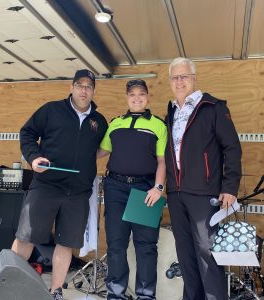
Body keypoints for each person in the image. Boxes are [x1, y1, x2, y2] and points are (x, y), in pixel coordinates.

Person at [11, 69, 108, 300]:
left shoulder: (99, 121)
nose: (84, 90)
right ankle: (9, 285)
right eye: (80, 85)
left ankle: (56, 291)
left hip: (78, 193)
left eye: (89, 87)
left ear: (93, 91)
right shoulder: (51, 110)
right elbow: (27, 133)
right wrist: (34, 157)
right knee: (26, 237)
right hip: (46, 186)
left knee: (66, 243)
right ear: (71, 87)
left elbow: (101, 150)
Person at [165, 57, 242, 300]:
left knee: (207, 254)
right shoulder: (171, 111)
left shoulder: (213, 107)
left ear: (194, 78)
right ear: (170, 81)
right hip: (176, 193)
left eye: (184, 76)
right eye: (175, 77)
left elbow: (232, 148)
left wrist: (229, 187)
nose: (179, 81)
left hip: (204, 193)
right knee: (186, 254)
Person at [98, 79, 167, 300]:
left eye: (141, 94)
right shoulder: (115, 123)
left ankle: (146, 295)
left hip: (145, 189)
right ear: (126, 98)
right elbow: (99, 152)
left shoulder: (158, 125)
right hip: (115, 188)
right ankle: (116, 294)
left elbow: (162, 161)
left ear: (147, 97)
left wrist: (158, 188)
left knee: (145, 246)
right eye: (132, 95)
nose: (136, 98)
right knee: (116, 244)